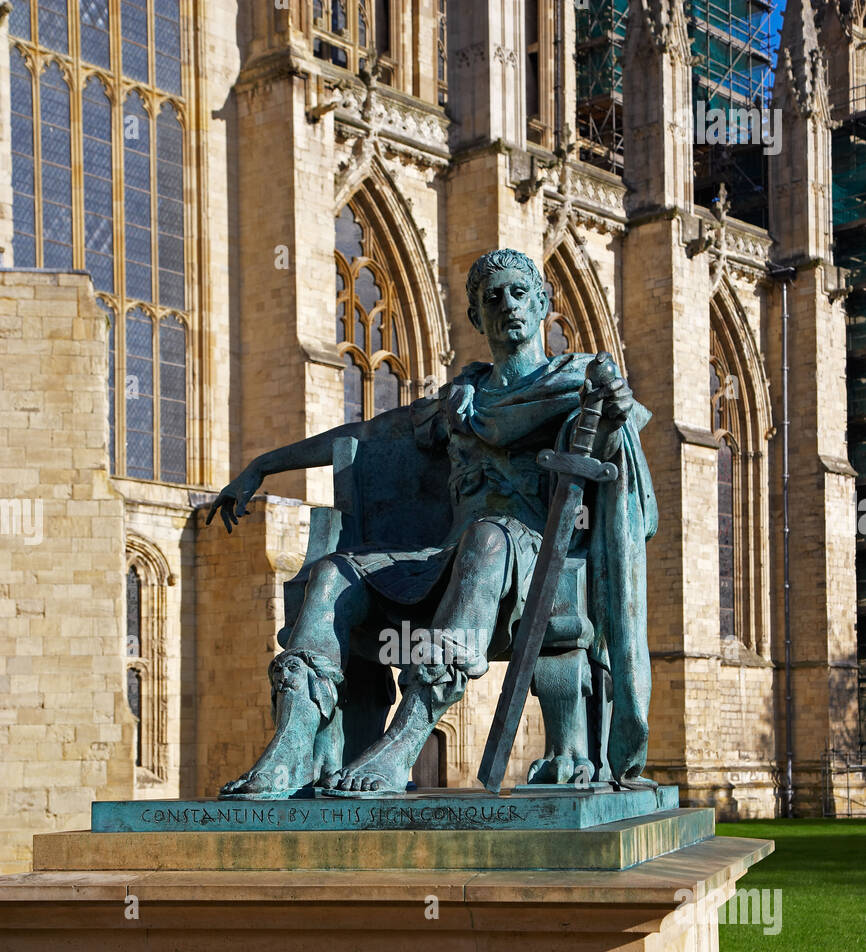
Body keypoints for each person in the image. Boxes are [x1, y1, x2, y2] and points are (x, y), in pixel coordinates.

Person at [207, 248, 655, 796]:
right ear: (475, 317)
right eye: (493, 298)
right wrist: (262, 465)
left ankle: (404, 742)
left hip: (536, 556)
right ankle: (293, 749)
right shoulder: (460, 403)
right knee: (333, 574)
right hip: (449, 557)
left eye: (519, 293)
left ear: (542, 305)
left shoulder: (577, 387)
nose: (507, 305)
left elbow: (617, 460)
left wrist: (614, 415)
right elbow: (366, 436)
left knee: (488, 538)